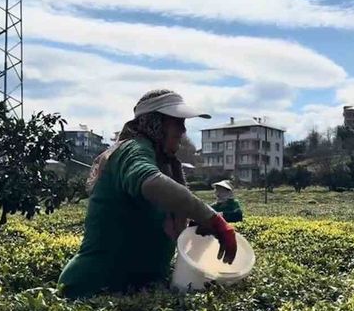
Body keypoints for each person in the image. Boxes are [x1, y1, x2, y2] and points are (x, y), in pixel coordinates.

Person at [58, 89, 237, 298]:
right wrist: (212, 218)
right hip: (94, 290)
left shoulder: (162, 161)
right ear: (155, 123)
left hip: (136, 292)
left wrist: (194, 225)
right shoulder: (133, 150)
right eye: (176, 122)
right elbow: (150, 182)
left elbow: (151, 217)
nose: (183, 130)